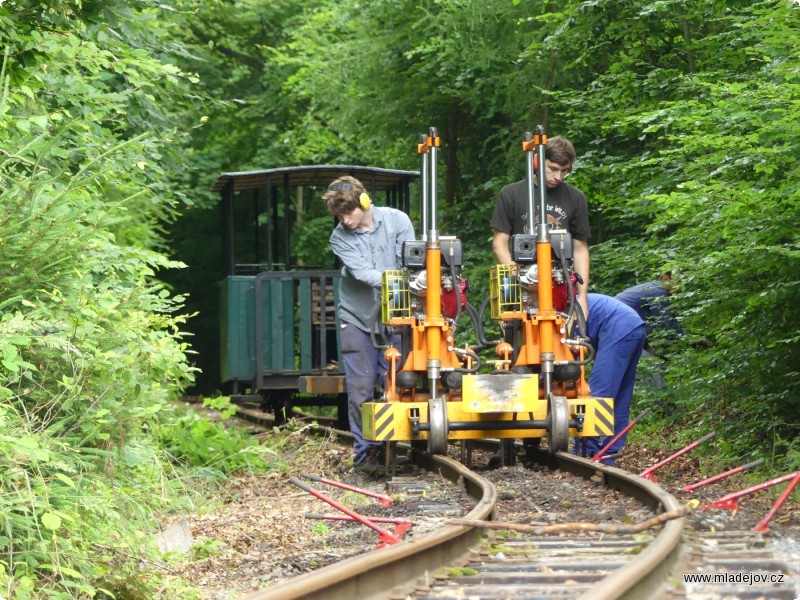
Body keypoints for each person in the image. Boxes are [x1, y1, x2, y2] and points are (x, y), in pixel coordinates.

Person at [323, 176, 415, 471]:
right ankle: (365, 454)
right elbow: (364, 273)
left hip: (397, 316)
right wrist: (400, 280)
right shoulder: (339, 238)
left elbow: (412, 261)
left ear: (364, 202)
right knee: (361, 388)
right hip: (357, 317)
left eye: (349, 212)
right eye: (339, 215)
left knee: (396, 384)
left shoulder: (398, 221)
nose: (345, 220)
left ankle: (393, 447)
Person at [490, 135, 591, 318]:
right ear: (536, 162)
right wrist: (518, 278)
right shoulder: (511, 194)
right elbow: (499, 244)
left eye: (564, 171)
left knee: (565, 339)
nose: (558, 177)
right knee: (512, 337)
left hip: (559, 283)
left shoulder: (576, 198)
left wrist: (581, 297)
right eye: (552, 169)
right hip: (518, 280)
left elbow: (580, 249)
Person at [580, 293, 647, 463]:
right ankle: (608, 452)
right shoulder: (572, 301)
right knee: (621, 393)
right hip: (634, 327)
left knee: (599, 393)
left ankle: (589, 451)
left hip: (618, 327)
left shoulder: (560, 312)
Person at [614, 274, 684, 358]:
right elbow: (665, 323)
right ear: (665, 279)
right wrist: (686, 339)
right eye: (679, 282)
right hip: (619, 325)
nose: (681, 287)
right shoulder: (658, 292)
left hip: (620, 322)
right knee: (649, 363)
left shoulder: (651, 287)